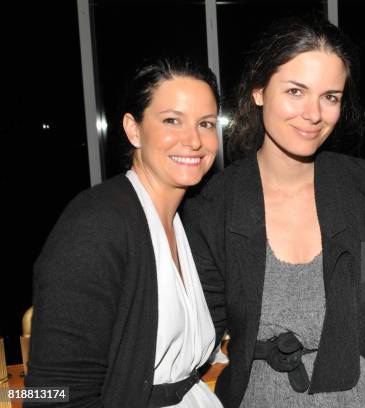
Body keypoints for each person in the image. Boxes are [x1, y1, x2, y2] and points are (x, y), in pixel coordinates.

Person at [183, 17, 365, 408]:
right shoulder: (214, 208)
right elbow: (189, 333)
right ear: (259, 90)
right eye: (296, 91)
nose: (313, 114)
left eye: (330, 96)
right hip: (263, 396)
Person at [26, 58, 223, 408]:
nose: (194, 140)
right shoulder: (96, 225)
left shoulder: (188, 222)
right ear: (133, 130)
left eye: (205, 123)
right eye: (172, 120)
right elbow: (50, 394)